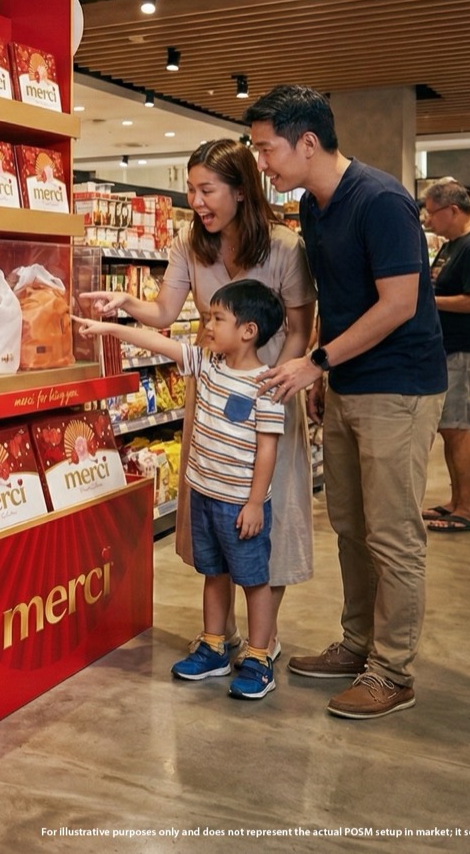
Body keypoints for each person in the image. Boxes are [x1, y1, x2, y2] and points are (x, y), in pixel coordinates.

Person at [250, 85, 446, 720]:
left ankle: (393, 671)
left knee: (392, 534)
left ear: (308, 142)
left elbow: (399, 304)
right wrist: (325, 375)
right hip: (347, 383)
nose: (262, 163)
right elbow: (336, 299)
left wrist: (316, 363)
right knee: (351, 528)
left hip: (400, 385)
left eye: (266, 148)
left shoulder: (381, 199)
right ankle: (358, 643)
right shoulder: (313, 205)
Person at [82, 138, 315, 664]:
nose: (198, 201)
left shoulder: (283, 246)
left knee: (266, 523)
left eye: (206, 189)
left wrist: (283, 379)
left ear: (240, 190)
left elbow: (301, 328)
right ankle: (219, 635)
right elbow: (165, 314)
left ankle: (263, 643)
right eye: (190, 189)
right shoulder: (191, 245)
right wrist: (125, 305)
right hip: (211, 403)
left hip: (268, 400)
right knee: (213, 524)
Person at [79, 279, 286, 701]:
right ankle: (214, 646)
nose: (208, 326)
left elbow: (268, 450)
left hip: (239, 506)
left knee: (254, 580)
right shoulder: (206, 364)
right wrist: (112, 329)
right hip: (205, 496)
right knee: (213, 573)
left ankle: (260, 656)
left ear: (248, 331)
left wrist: (253, 503)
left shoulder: (267, 385)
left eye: (217, 319)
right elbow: (159, 346)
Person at [420, 179, 470, 533]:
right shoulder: (453, 246)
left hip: (465, 350)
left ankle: (469, 508)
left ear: (453, 210)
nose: (428, 220)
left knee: (458, 428)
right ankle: (457, 500)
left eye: (432, 212)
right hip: (447, 348)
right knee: (451, 429)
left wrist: (429, 303)